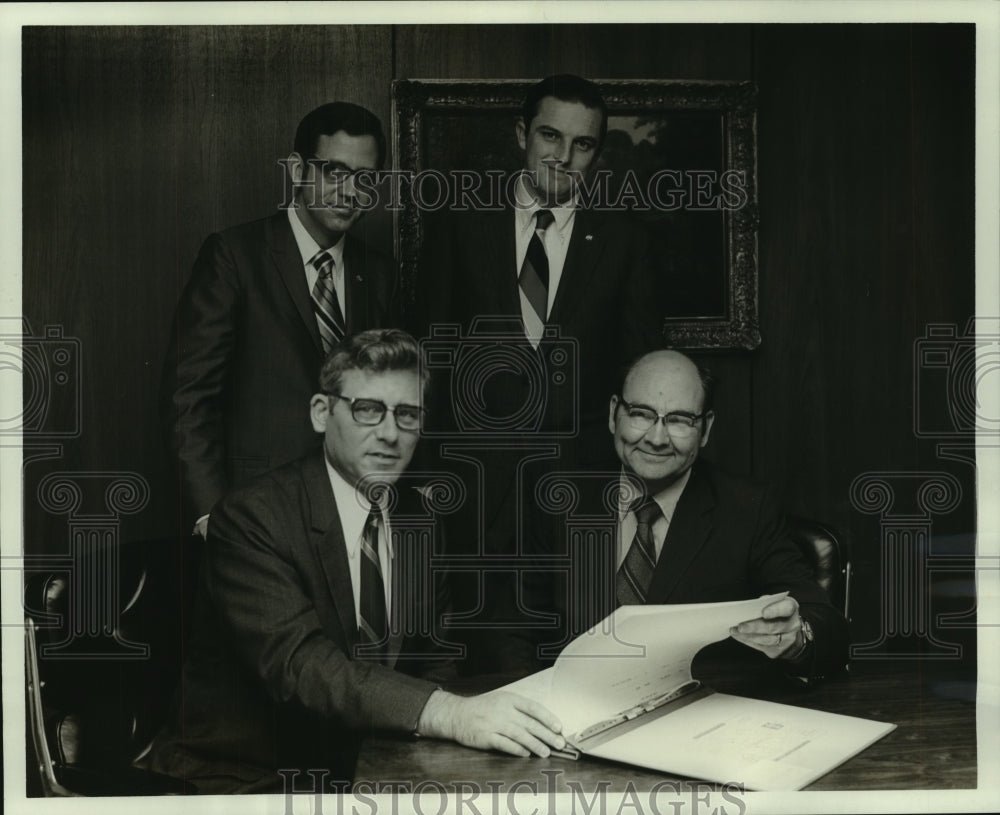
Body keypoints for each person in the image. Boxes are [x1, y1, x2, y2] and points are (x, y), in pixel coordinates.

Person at [148, 330, 566, 794]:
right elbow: (304, 667)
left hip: (370, 767)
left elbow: (436, 660)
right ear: (321, 413)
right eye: (368, 409)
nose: (389, 433)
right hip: (240, 778)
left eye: (407, 414)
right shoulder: (253, 518)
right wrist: (449, 713)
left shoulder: (421, 519)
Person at [410, 76, 665, 668]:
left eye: (583, 144)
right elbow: (428, 356)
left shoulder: (626, 243)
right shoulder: (460, 226)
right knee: (478, 663)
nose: (564, 156)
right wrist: (425, 477)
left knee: (578, 660)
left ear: (597, 153)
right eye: (550, 135)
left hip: (579, 489)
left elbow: (639, 370)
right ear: (521, 134)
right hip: (473, 489)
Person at [508, 349, 850, 679]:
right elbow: (513, 630)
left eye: (679, 420)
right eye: (641, 413)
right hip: (570, 720)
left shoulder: (747, 510)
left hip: (699, 720)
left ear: (705, 429)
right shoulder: (559, 499)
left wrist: (797, 638)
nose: (657, 438)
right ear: (614, 415)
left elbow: (828, 626)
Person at [162, 102, 397, 539]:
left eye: (365, 178)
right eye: (333, 171)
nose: (349, 191)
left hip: (349, 520)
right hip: (252, 516)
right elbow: (188, 397)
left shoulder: (380, 273)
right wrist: (212, 515)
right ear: (296, 170)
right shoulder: (234, 256)